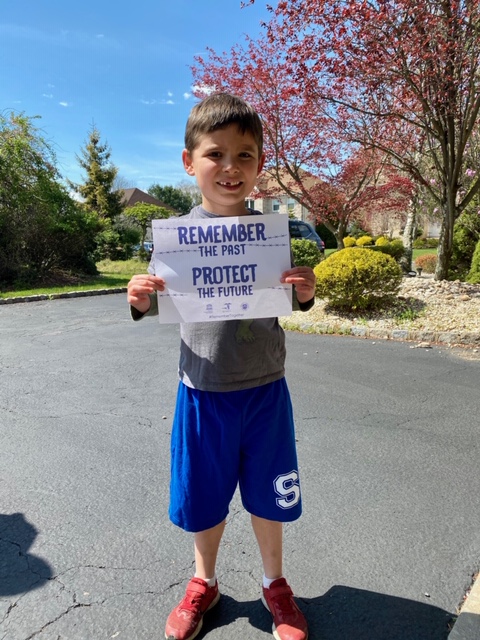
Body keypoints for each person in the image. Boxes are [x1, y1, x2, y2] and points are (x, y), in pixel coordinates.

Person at [127, 93, 315, 640]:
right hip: (202, 391)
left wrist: (304, 291)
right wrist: (139, 297)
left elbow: (294, 301)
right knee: (203, 496)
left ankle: (273, 583)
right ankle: (203, 581)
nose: (230, 168)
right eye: (216, 154)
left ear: (259, 164)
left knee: (267, 493)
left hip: (264, 392)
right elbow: (152, 301)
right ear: (190, 162)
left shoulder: (270, 236)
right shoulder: (176, 240)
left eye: (246, 155)